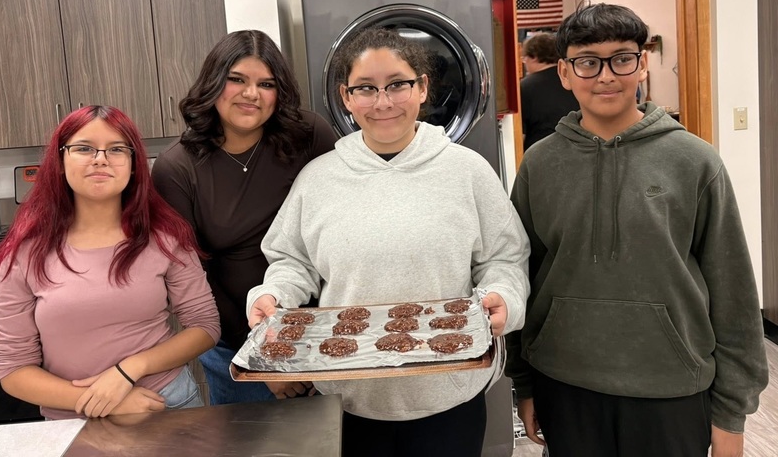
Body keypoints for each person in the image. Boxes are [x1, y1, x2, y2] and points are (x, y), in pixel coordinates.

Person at [246, 27, 531, 457]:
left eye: (397, 84)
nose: (382, 102)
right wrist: (273, 294)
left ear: (422, 88)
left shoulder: (466, 171)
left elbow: (505, 257)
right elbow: (292, 261)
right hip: (349, 399)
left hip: (448, 395)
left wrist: (504, 296)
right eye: (366, 89)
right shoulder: (319, 179)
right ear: (346, 97)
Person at [505, 3, 769, 457]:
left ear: (642, 64)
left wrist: (731, 413)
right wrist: (523, 385)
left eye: (621, 58)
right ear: (565, 73)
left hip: (671, 387)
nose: (606, 75)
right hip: (565, 383)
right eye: (588, 62)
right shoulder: (541, 164)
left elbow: (734, 292)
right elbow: (521, 274)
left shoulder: (695, 161)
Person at [0, 105, 221, 420]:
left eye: (116, 149)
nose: (100, 158)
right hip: (71, 419)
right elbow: (12, 368)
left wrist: (129, 370)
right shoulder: (25, 253)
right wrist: (101, 399)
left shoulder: (166, 238)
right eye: (84, 148)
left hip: (165, 404)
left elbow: (205, 327)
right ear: (59, 161)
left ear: (134, 164)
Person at [151, 30, 338, 405]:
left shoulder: (309, 135)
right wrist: (262, 361)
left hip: (321, 330)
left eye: (265, 84)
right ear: (213, 82)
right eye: (237, 79)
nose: (251, 94)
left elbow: (340, 224)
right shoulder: (177, 168)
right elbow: (194, 280)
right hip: (233, 343)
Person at [519, 33, 580, 151]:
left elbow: (520, 133)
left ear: (534, 57)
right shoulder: (575, 79)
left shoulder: (525, 87)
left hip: (541, 154)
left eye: (525, 59)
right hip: (580, 149)